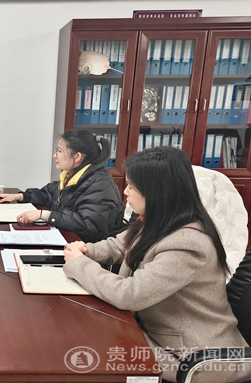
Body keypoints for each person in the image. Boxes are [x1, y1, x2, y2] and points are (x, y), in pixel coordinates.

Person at [63, 146, 250, 383]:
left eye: (131, 186)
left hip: (193, 357)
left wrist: (80, 265)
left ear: (156, 192)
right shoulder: (158, 221)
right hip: (156, 332)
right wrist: (87, 251)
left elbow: (130, 294)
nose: (125, 192)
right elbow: (120, 245)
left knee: (85, 354)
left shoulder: (187, 243)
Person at [0, 129, 123, 243]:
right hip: (68, 241)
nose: (55, 155)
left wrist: (45, 215)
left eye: (59, 151)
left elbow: (87, 225)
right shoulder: (71, 176)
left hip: (88, 252)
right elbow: (48, 194)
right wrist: (20, 196)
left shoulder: (100, 185)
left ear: (77, 156)